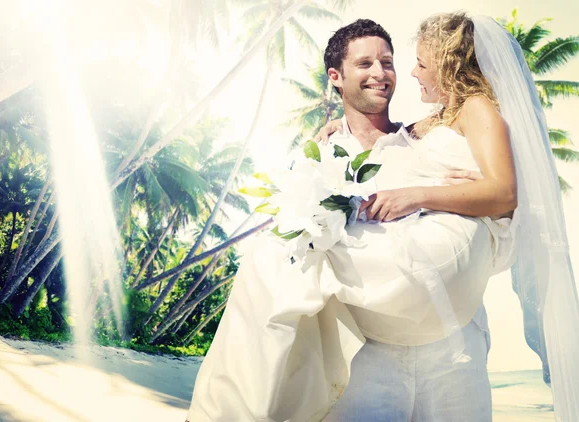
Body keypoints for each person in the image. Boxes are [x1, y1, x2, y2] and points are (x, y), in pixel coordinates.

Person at [187, 13, 579, 422]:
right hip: (364, 357)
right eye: (365, 64)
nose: (383, 73)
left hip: (453, 348)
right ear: (335, 77)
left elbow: (506, 195)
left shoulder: (418, 136)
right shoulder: (320, 154)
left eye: (388, 62)